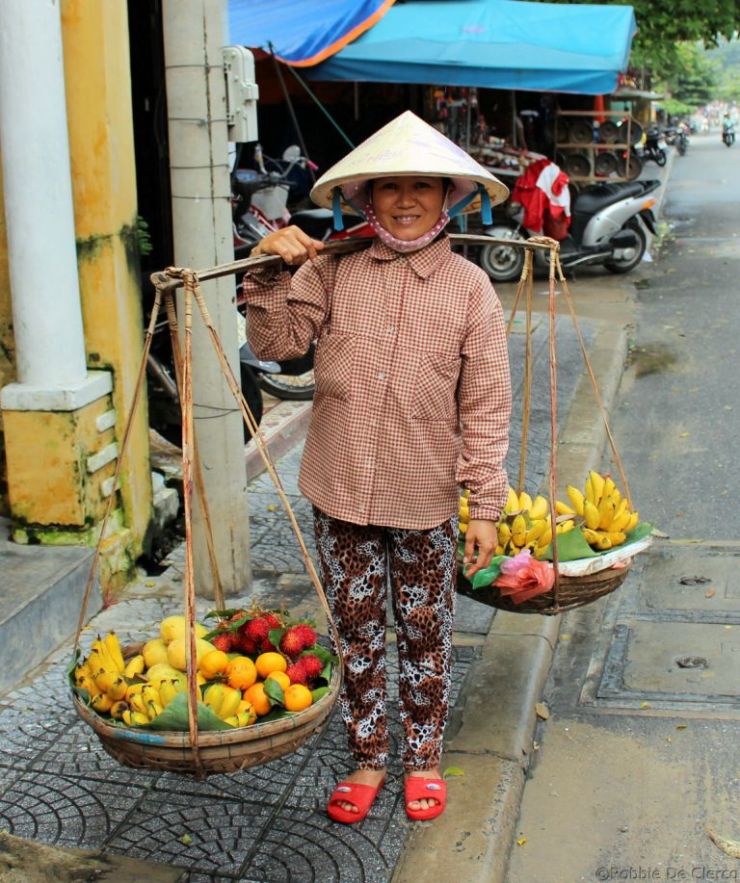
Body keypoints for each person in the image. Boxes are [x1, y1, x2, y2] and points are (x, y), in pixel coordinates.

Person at [242, 111, 512, 824]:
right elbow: (276, 342)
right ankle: (368, 752)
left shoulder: (468, 290)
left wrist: (485, 504)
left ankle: (423, 755)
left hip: (424, 497)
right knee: (356, 631)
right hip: (338, 490)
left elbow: (486, 405)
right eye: (388, 185)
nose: (404, 199)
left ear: (448, 196)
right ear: (366, 197)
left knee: (426, 631)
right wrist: (270, 265)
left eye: (421, 185)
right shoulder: (331, 271)